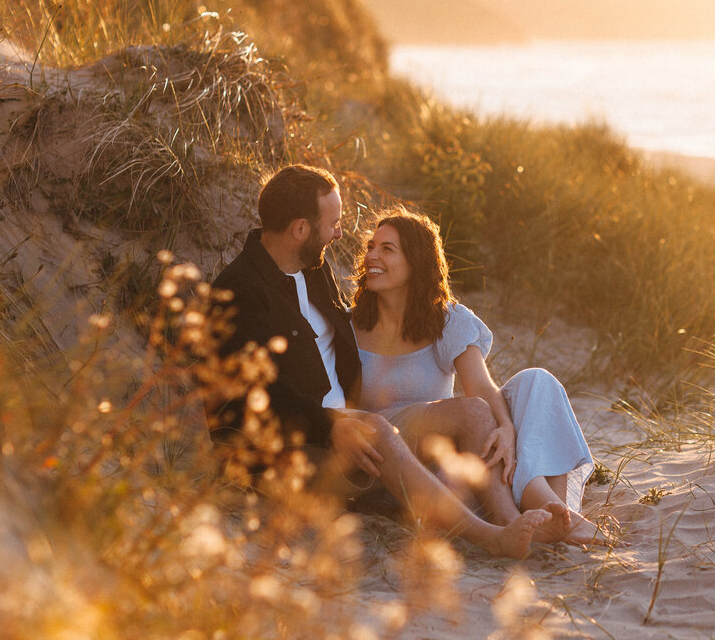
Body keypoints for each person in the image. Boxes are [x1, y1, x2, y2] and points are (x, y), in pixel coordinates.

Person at [205, 164, 557, 557]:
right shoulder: (239, 292)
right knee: (376, 429)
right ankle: (488, 538)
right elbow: (261, 394)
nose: (339, 233)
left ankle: (508, 520)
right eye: (333, 223)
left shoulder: (312, 271)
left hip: (356, 427)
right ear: (300, 229)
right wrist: (330, 426)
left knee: (474, 412)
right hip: (296, 448)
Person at [351, 207, 607, 545]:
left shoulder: (446, 319)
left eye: (387, 248)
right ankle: (526, 518)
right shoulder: (347, 325)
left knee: (537, 381)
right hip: (406, 467)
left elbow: (482, 386)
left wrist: (506, 428)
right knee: (474, 413)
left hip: (459, 457)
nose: (372, 255)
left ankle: (552, 512)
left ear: (416, 261)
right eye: (371, 246)